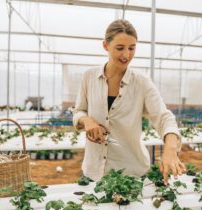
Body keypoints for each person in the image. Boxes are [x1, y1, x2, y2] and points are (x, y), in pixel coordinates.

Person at [73, 19, 185, 184]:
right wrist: (86, 120)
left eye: (132, 48)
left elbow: (164, 117)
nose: (126, 55)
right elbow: (78, 110)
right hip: (93, 172)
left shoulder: (141, 82)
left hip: (131, 174)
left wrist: (170, 149)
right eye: (120, 48)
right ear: (105, 46)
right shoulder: (89, 77)